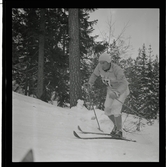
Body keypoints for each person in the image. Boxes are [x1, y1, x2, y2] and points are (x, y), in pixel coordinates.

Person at [84, 52, 130, 138]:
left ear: (108, 62)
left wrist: (117, 93)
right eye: (100, 62)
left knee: (116, 108)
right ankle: (116, 126)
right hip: (111, 90)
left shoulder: (117, 69)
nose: (101, 65)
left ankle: (119, 131)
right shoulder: (99, 67)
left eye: (103, 62)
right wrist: (90, 83)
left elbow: (123, 84)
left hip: (121, 90)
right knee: (107, 110)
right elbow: (94, 74)